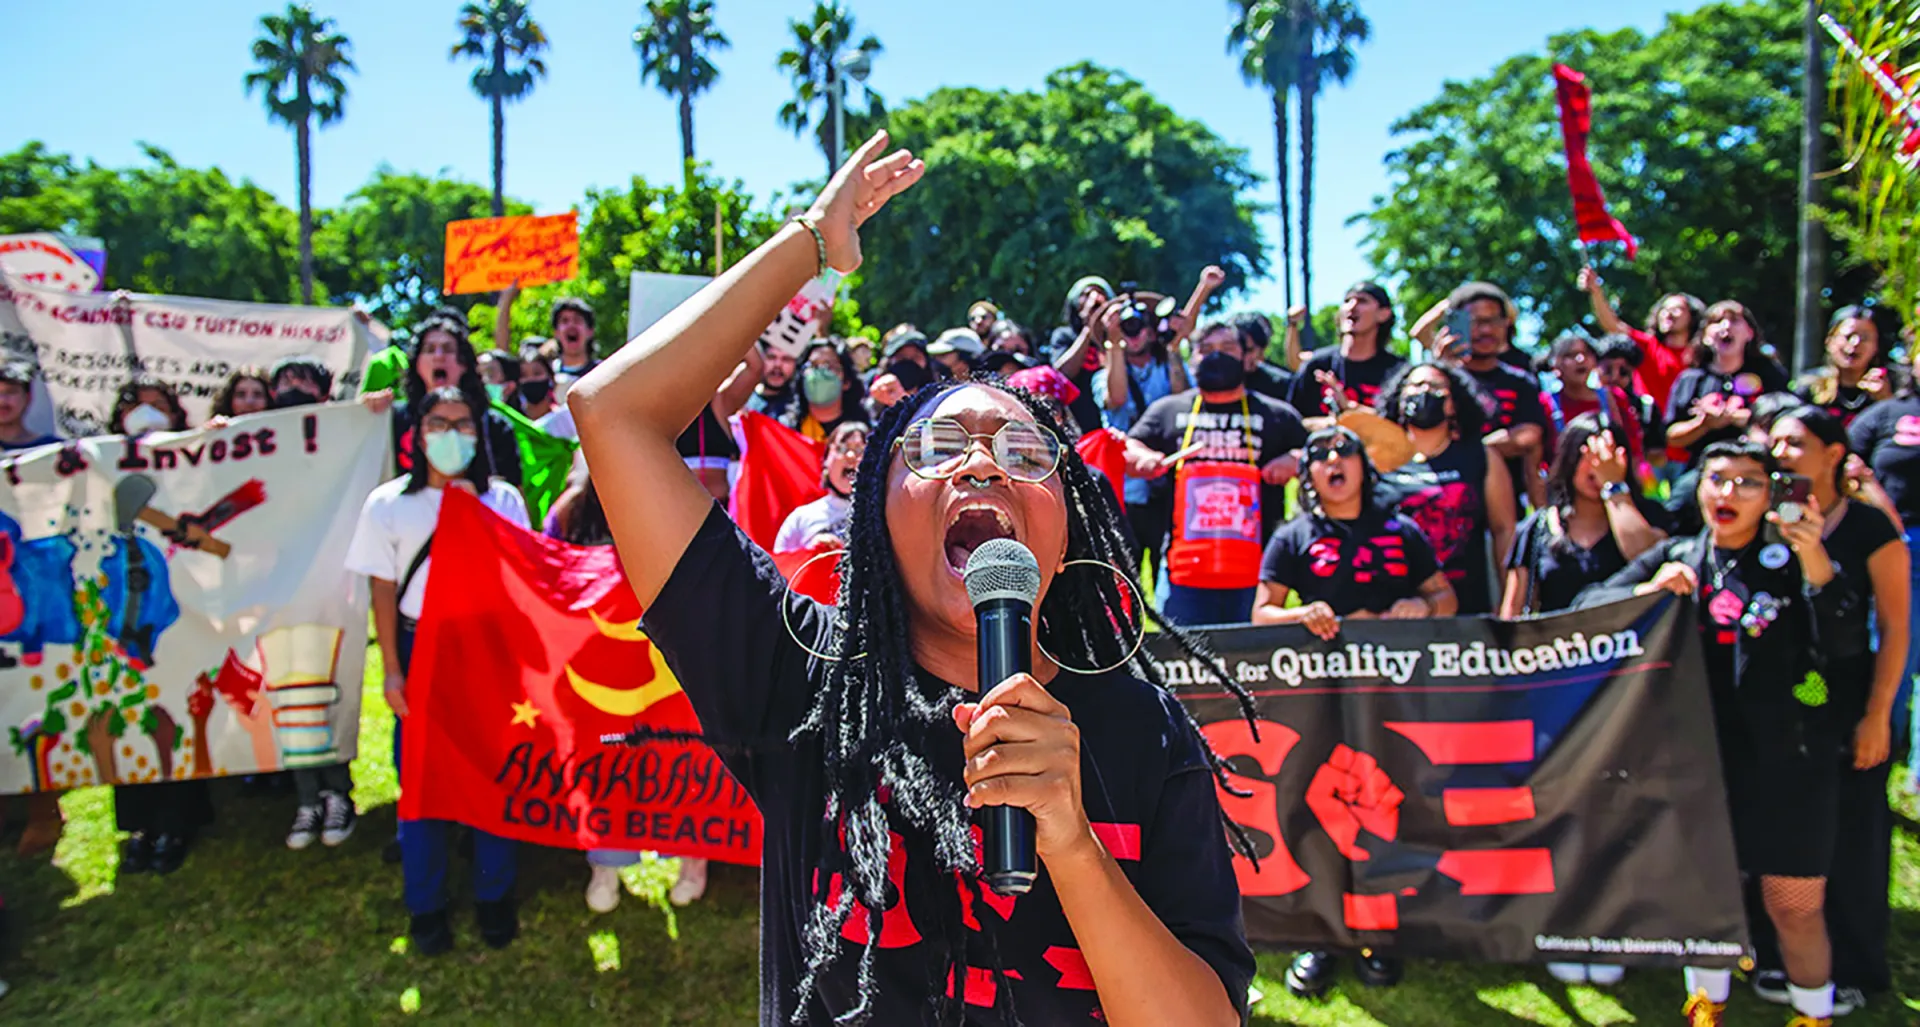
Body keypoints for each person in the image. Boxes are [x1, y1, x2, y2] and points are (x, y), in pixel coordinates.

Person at [572, 131, 1256, 1024]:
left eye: (1023, 451)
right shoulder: (800, 681)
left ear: (1068, 525)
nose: (982, 465)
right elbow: (614, 412)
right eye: (938, 448)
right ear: (874, 519)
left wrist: (1074, 844)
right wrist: (812, 245)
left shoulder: (1140, 725)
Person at [1578, 439, 1861, 1027]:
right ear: (1699, 487)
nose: (1728, 494)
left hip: (1792, 762)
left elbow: (1845, 642)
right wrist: (1645, 592)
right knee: (1705, 899)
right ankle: (1706, 1012)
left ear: (1772, 494)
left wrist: (1814, 558)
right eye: (1718, 480)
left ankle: (1814, 1015)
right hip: (1699, 761)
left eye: (1748, 483)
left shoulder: (1797, 557)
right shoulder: (1679, 553)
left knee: (1794, 906)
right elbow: (1587, 605)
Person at [1252, 426, 1453, 998]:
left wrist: (1422, 603)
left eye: (1343, 451)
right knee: (1322, 810)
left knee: (1391, 807)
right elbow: (1261, 613)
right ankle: (1325, 935)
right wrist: (1301, 615)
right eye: (1318, 455)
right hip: (1322, 705)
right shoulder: (1292, 536)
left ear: (1365, 465)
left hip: (1394, 699)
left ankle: (1380, 935)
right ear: (1308, 476)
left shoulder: (1402, 530)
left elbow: (1447, 599)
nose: (1332, 461)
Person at [346, 386, 530, 955]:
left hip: (487, 647)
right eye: (439, 423)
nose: (451, 434)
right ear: (417, 435)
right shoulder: (387, 505)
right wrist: (392, 670)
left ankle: (493, 895)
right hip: (419, 644)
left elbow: (523, 579)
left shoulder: (503, 499)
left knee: (494, 774)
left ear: (479, 434)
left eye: (463, 423)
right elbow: (382, 588)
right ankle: (425, 907)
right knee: (422, 784)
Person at [1752, 406, 1907, 1016]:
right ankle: (1773, 954)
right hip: (1775, 701)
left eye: (1795, 442)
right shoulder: (1765, 519)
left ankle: (1855, 966)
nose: (1781, 451)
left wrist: (1878, 715)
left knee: (1851, 835)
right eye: (1776, 442)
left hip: (1846, 701)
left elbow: (1894, 629)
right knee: (1781, 834)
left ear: (1834, 453)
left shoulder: (1870, 528)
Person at [543, 469, 712, 912]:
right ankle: (605, 862)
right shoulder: (568, 513)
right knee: (605, 760)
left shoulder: (679, 496)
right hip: (599, 661)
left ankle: (691, 859)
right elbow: (551, 574)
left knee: (675, 757)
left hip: (668, 657)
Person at [1122, 319, 1306, 625]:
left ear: (1247, 358)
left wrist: (1294, 459)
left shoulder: (1277, 414)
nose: (1216, 355)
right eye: (1205, 349)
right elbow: (1128, 446)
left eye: (1227, 348)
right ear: (1192, 359)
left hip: (1256, 572)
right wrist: (1144, 458)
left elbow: (1316, 456)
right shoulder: (1168, 410)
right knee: (1186, 664)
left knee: (1253, 662)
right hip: (1184, 572)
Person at [106, 381, 212, 875]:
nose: (146, 414)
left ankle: (177, 820)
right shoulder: (94, 466)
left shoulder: (198, 462)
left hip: (177, 617)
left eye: (159, 405)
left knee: (175, 712)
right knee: (127, 714)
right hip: (120, 621)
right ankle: (140, 825)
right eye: (135, 405)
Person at [1374, 362, 1517, 616]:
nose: (1424, 391)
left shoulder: (1482, 457)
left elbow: (1504, 530)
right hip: (1393, 613)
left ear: (1452, 404)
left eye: (1436, 386)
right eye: (1416, 386)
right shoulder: (1375, 462)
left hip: (1468, 610)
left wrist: (1509, 603)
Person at [1500, 414, 1667, 619]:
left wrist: (1613, 487)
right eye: (1587, 455)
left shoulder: (1650, 516)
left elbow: (1646, 557)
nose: (1597, 466)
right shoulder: (1537, 528)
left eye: (1607, 456)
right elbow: (1512, 611)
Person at [1846, 340, 1920, 776]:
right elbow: (1842, 467)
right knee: (1896, 654)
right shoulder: (1885, 415)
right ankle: (1883, 759)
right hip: (1896, 547)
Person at [391, 314, 522, 488]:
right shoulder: (394, 419)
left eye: (448, 349)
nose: (439, 356)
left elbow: (512, 497)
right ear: (417, 364)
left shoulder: (493, 424)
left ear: (464, 363)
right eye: (430, 349)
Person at [1663, 301, 1790, 470]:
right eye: (1716, 321)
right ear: (1705, 337)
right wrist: (1704, 425)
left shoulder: (1770, 375)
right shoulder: (1690, 380)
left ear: (1750, 333)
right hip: (1704, 469)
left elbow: (1791, 422)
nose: (1726, 326)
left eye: (1734, 320)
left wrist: (1749, 421)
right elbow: (1672, 437)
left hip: (1760, 467)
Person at [1578, 265, 1705, 412]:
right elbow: (1612, 325)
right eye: (1664, 309)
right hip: (1652, 427)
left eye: (1677, 309)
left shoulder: (1701, 353)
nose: (1668, 314)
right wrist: (1595, 291)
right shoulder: (1649, 346)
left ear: (1692, 317)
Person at [1287, 282, 1406, 431]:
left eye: (1362, 301)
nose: (1352, 307)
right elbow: (1289, 422)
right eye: (1347, 301)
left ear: (1384, 314)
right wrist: (1329, 425)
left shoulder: (1398, 372)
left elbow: (1400, 428)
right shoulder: (1317, 365)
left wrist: (1350, 410)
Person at [1540, 334, 1645, 468]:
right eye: (1570, 355)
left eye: (1586, 353)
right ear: (1555, 366)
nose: (1580, 359)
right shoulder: (1545, 403)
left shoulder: (1614, 398)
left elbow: (1633, 447)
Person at [1792, 307, 1896, 427]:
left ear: (1876, 346)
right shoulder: (1809, 387)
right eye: (1848, 336)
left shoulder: (1892, 385)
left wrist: (1885, 400)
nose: (1855, 343)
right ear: (1829, 341)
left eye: (1865, 338)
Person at [774, 422, 868, 553]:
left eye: (860, 450)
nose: (851, 456)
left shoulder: (886, 514)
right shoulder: (800, 519)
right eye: (842, 448)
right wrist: (810, 553)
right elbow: (782, 566)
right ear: (826, 461)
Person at [1048, 276, 1114, 434]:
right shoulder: (1065, 336)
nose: (1094, 298)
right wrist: (1088, 327)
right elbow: (1062, 374)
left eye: (1099, 293)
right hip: (1080, 424)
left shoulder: (1118, 335)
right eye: (1086, 294)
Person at [497, 281, 600, 377]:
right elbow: (502, 355)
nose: (571, 325)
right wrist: (506, 300)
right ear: (556, 333)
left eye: (577, 320)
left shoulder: (602, 373)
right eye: (564, 321)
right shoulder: (544, 374)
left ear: (590, 331)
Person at [1595, 334, 1666, 470]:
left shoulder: (1646, 407)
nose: (1615, 377)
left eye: (1623, 372)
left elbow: (1659, 457)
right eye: (1607, 370)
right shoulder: (1585, 402)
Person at [783, 340, 870, 442]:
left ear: (846, 382)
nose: (820, 373)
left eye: (829, 366)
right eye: (813, 366)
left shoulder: (866, 436)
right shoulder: (785, 429)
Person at [1230, 311, 1293, 403]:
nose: (1242, 356)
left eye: (1248, 350)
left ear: (1262, 349)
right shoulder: (1214, 380)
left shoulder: (1281, 384)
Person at [746, 344, 800, 421]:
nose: (777, 365)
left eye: (786, 359)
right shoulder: (743, 401)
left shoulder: (801, 405)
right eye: (771, 357)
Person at [516, 347, 561, 426]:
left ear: (550, 377)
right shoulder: (511, 422)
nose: (531, 379)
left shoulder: (563, 420)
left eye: (537, 373)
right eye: (524, 375)